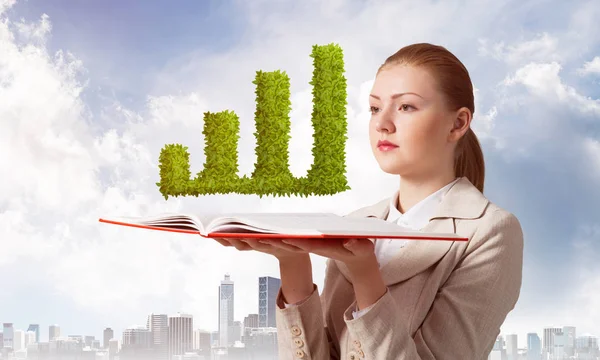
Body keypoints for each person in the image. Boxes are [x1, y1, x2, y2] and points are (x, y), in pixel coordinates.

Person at [214, 43, 524, 360]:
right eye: (375, 109)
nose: (382, 124)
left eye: (406, 107)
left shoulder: (491, 231)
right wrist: (293, 263)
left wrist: (365, 272)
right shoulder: (358, 221)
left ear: (458, 123)